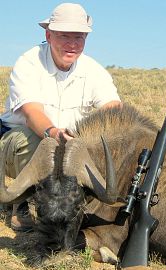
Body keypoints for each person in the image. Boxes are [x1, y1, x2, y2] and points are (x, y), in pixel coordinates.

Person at [0, 3, 121, 231]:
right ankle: (22, 204)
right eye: (64, 35)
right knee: (41, 143)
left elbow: (114, 110)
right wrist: (54, 133)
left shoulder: (93, 70)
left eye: (79, 37)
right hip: (18, 144)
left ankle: (72, 203)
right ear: (48, 35)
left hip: (68, 145)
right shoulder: (29, 62)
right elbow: (32, 113)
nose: (72, 44)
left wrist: (91, 135)